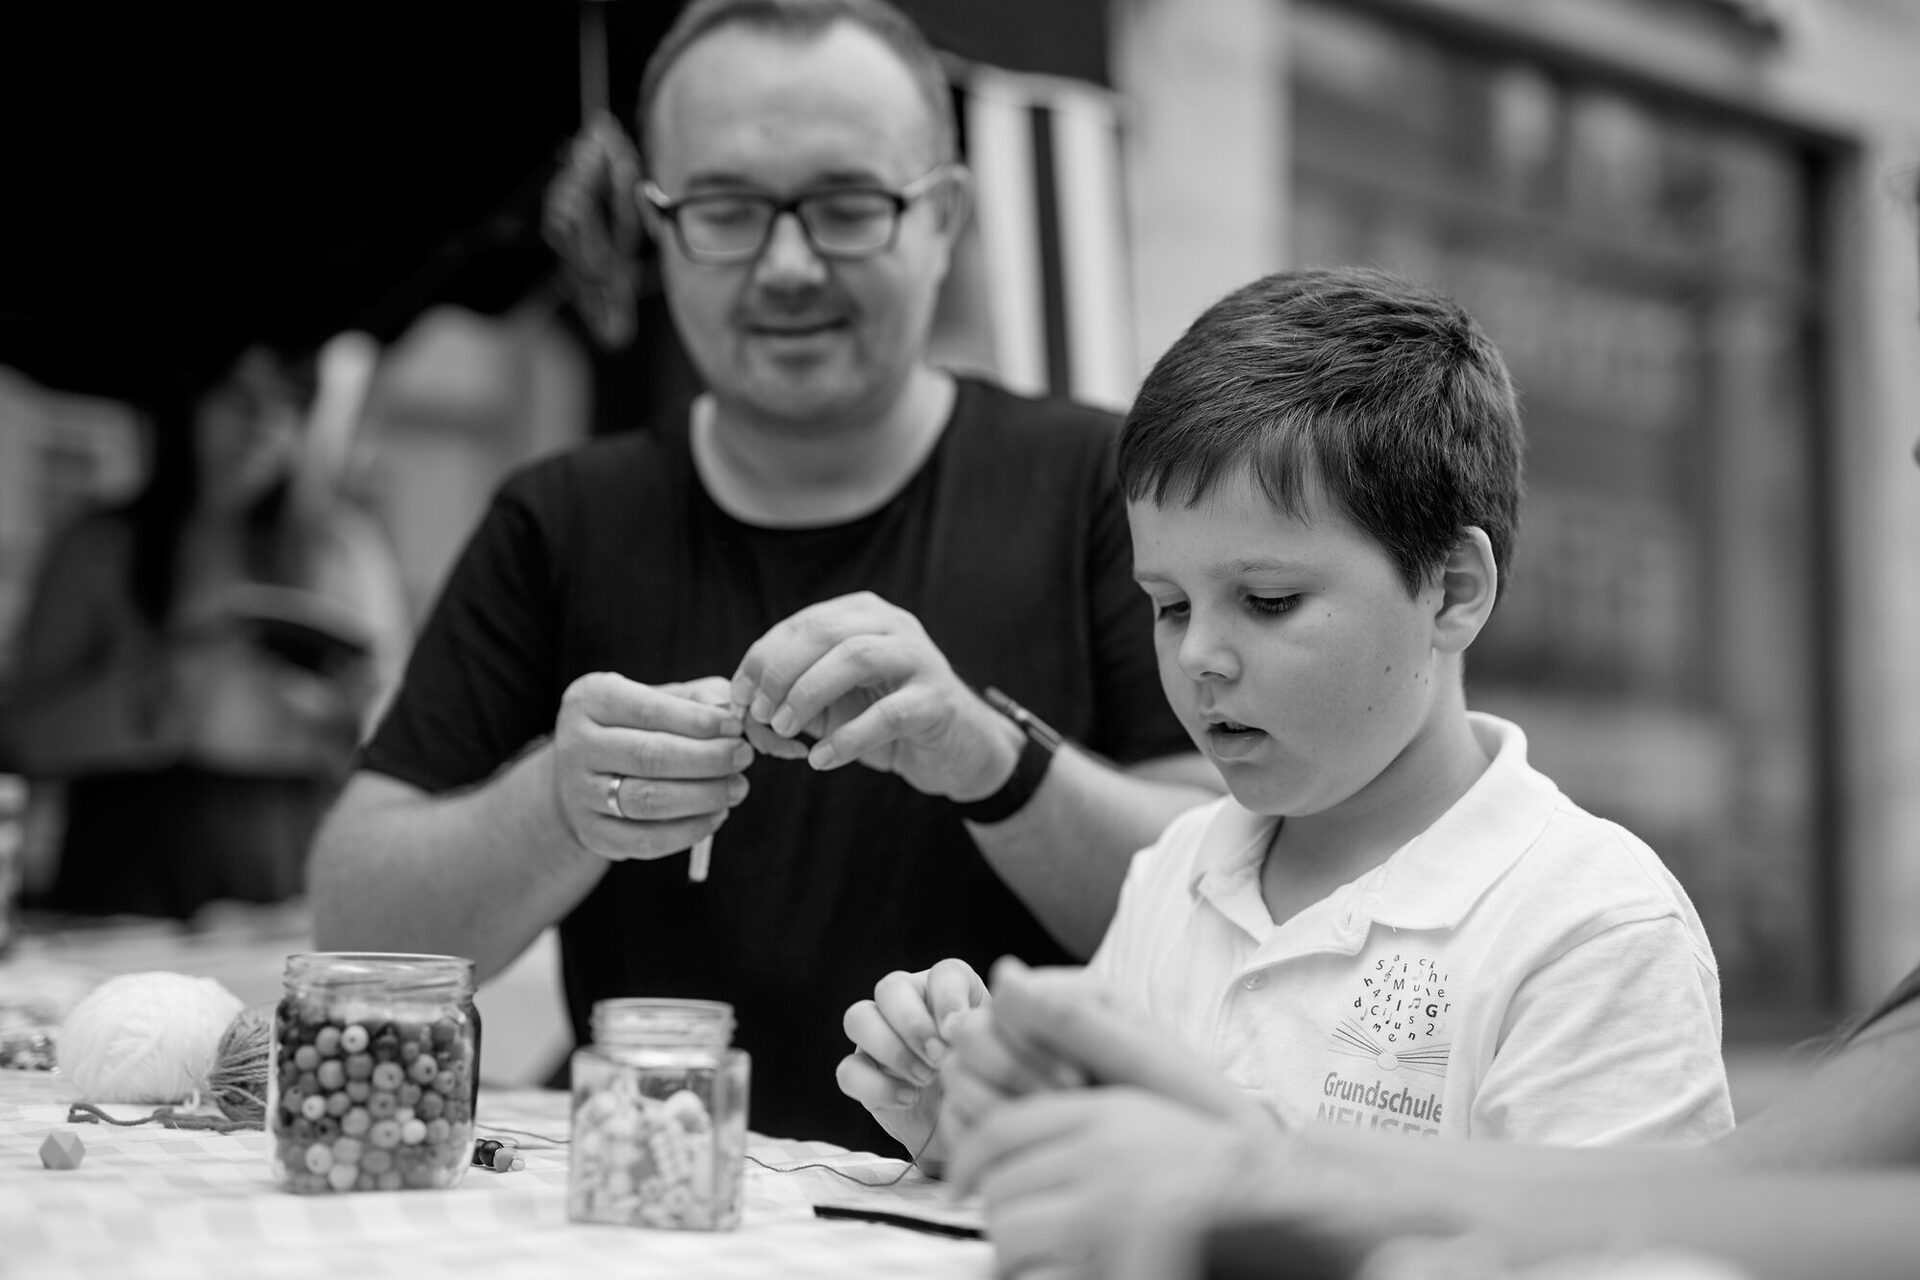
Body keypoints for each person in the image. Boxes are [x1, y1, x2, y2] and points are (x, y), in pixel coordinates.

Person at [308, 0, 1217, 1152]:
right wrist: (558, 805)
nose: (788, 266)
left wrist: (988, 757)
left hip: (1009, 1202)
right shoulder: (561, 519)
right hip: (647, 1202)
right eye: (728, 211)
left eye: (846, 207)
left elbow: (1234, 902)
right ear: (659, 228)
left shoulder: (1106, 486)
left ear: (944, 218)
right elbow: (355, 928)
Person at [839, 267, 1734, 1174]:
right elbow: (1099, 1184)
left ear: (1453, 589)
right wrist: (979, 1129)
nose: (1199, 655)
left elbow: (1613, 1237)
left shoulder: (1588, 928)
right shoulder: (1178, 872)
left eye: (1267, 601)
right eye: (1169, 605)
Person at [0, 342, 408, 921]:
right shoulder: (101, 544)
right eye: (240, 396)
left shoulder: (342, 551)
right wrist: (154, 691)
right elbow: (21, 735)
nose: (263, 423)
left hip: (283, 850)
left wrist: (341, 719)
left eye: (289, 401)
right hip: (125, 849)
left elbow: (400, 739)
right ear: (189, 399)